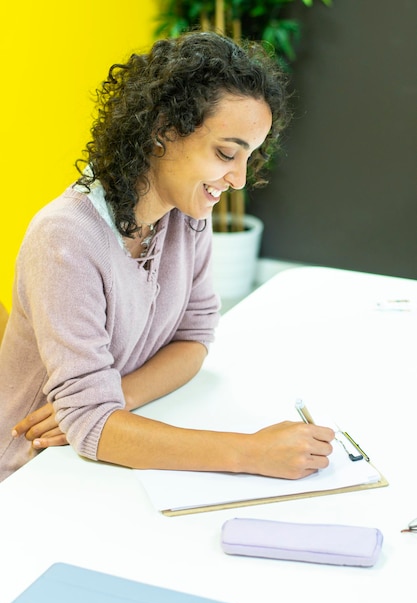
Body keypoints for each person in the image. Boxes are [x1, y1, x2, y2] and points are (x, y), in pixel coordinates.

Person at [0, 31, 334, 483]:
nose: (237, 179)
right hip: (29, 473)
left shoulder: (185, 214)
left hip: (99, 456)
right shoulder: (66, 238)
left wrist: (110, 399)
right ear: (163, 131)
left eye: (248, 158)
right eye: (226, 154)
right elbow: (92, 429)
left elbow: (193, 341)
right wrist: (252, 452)